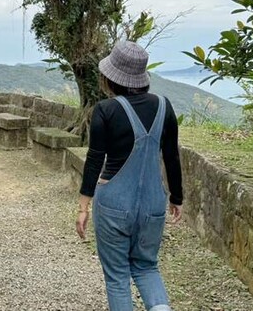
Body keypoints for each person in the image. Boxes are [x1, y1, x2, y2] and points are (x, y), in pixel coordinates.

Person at [75, 41, 183, 311]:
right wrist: (177, 198)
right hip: (153, 204)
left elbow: (94, 159)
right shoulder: (164, 106)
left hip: (113, 203)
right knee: (147, 268)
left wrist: (83, 206)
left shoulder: (106, 109)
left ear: (111, 76)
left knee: (118, 276)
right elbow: (172, 156)